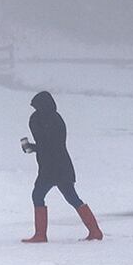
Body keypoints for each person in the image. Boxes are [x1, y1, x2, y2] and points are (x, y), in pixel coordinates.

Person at [22, 90, 101, 242]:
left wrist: (33, 147)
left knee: (38, 195)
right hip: (61, 166)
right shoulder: (55, 119)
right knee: (72, 197)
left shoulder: (46, 120)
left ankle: (40, 235)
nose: (35, 110)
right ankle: (95, 231)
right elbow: (50, 144)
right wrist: (36, 147)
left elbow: (49, 144)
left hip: (51, 167)